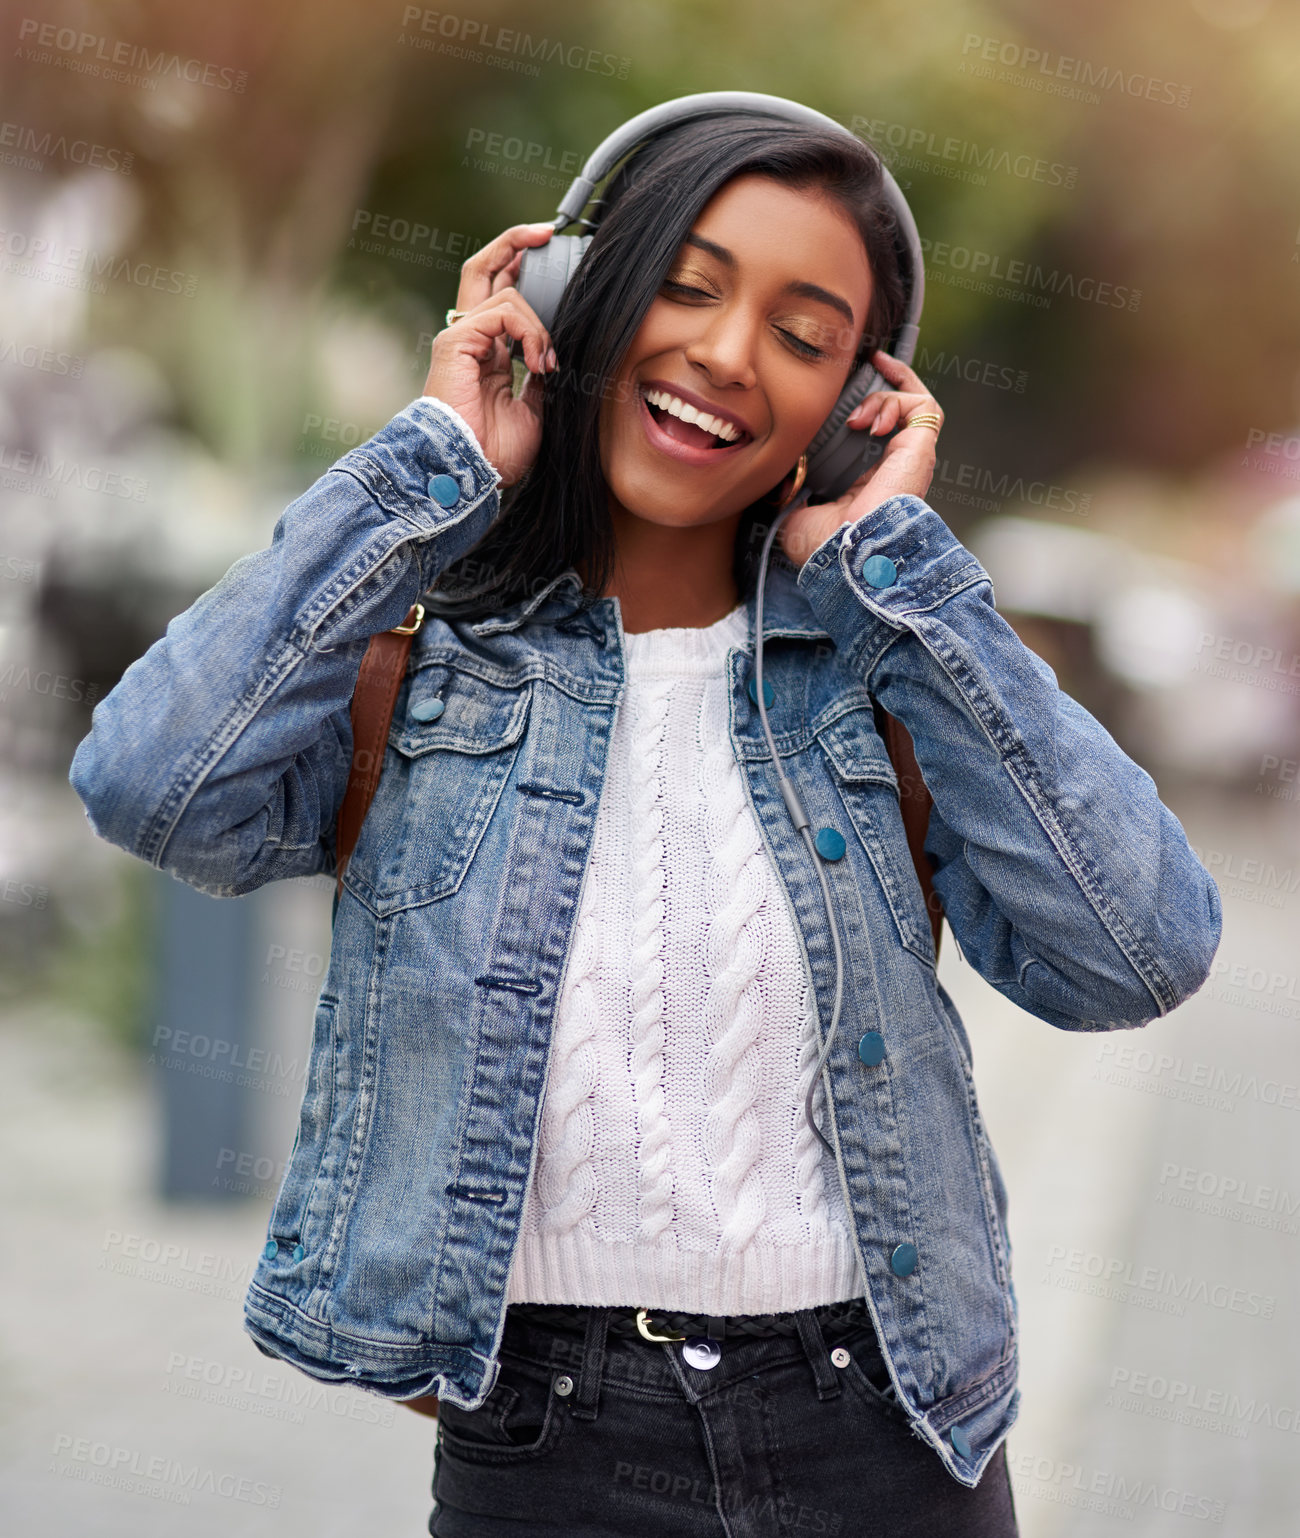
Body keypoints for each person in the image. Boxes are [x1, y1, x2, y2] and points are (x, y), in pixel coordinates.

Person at [69, 107, 1222, 1538]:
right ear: (571, 301)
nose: (730, 356)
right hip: (552, 1450)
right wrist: (435, 462)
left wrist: (899, 579)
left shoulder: (879, 673)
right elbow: (147, 778)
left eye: (804, 338)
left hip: (892, 1433)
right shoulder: (422, 681)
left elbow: (1142, 948)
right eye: (687, 284)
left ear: (856, 404)